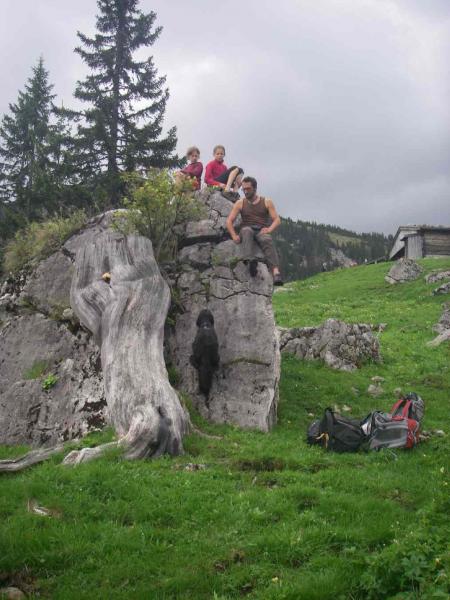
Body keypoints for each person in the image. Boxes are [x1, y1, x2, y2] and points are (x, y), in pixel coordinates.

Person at [226, 176, 283, 286]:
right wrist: (234, 235)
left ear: (255, 188)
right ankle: (250, 261)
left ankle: (276, 273)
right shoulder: (240, 203)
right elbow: (229, 221)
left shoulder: (267, 202)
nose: (245, 191)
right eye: (244, 189)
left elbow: (277, 220)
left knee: (267, 239)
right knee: (247, 231)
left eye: (248, 189)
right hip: (247, 228)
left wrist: (269, 229)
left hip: (261, 229)